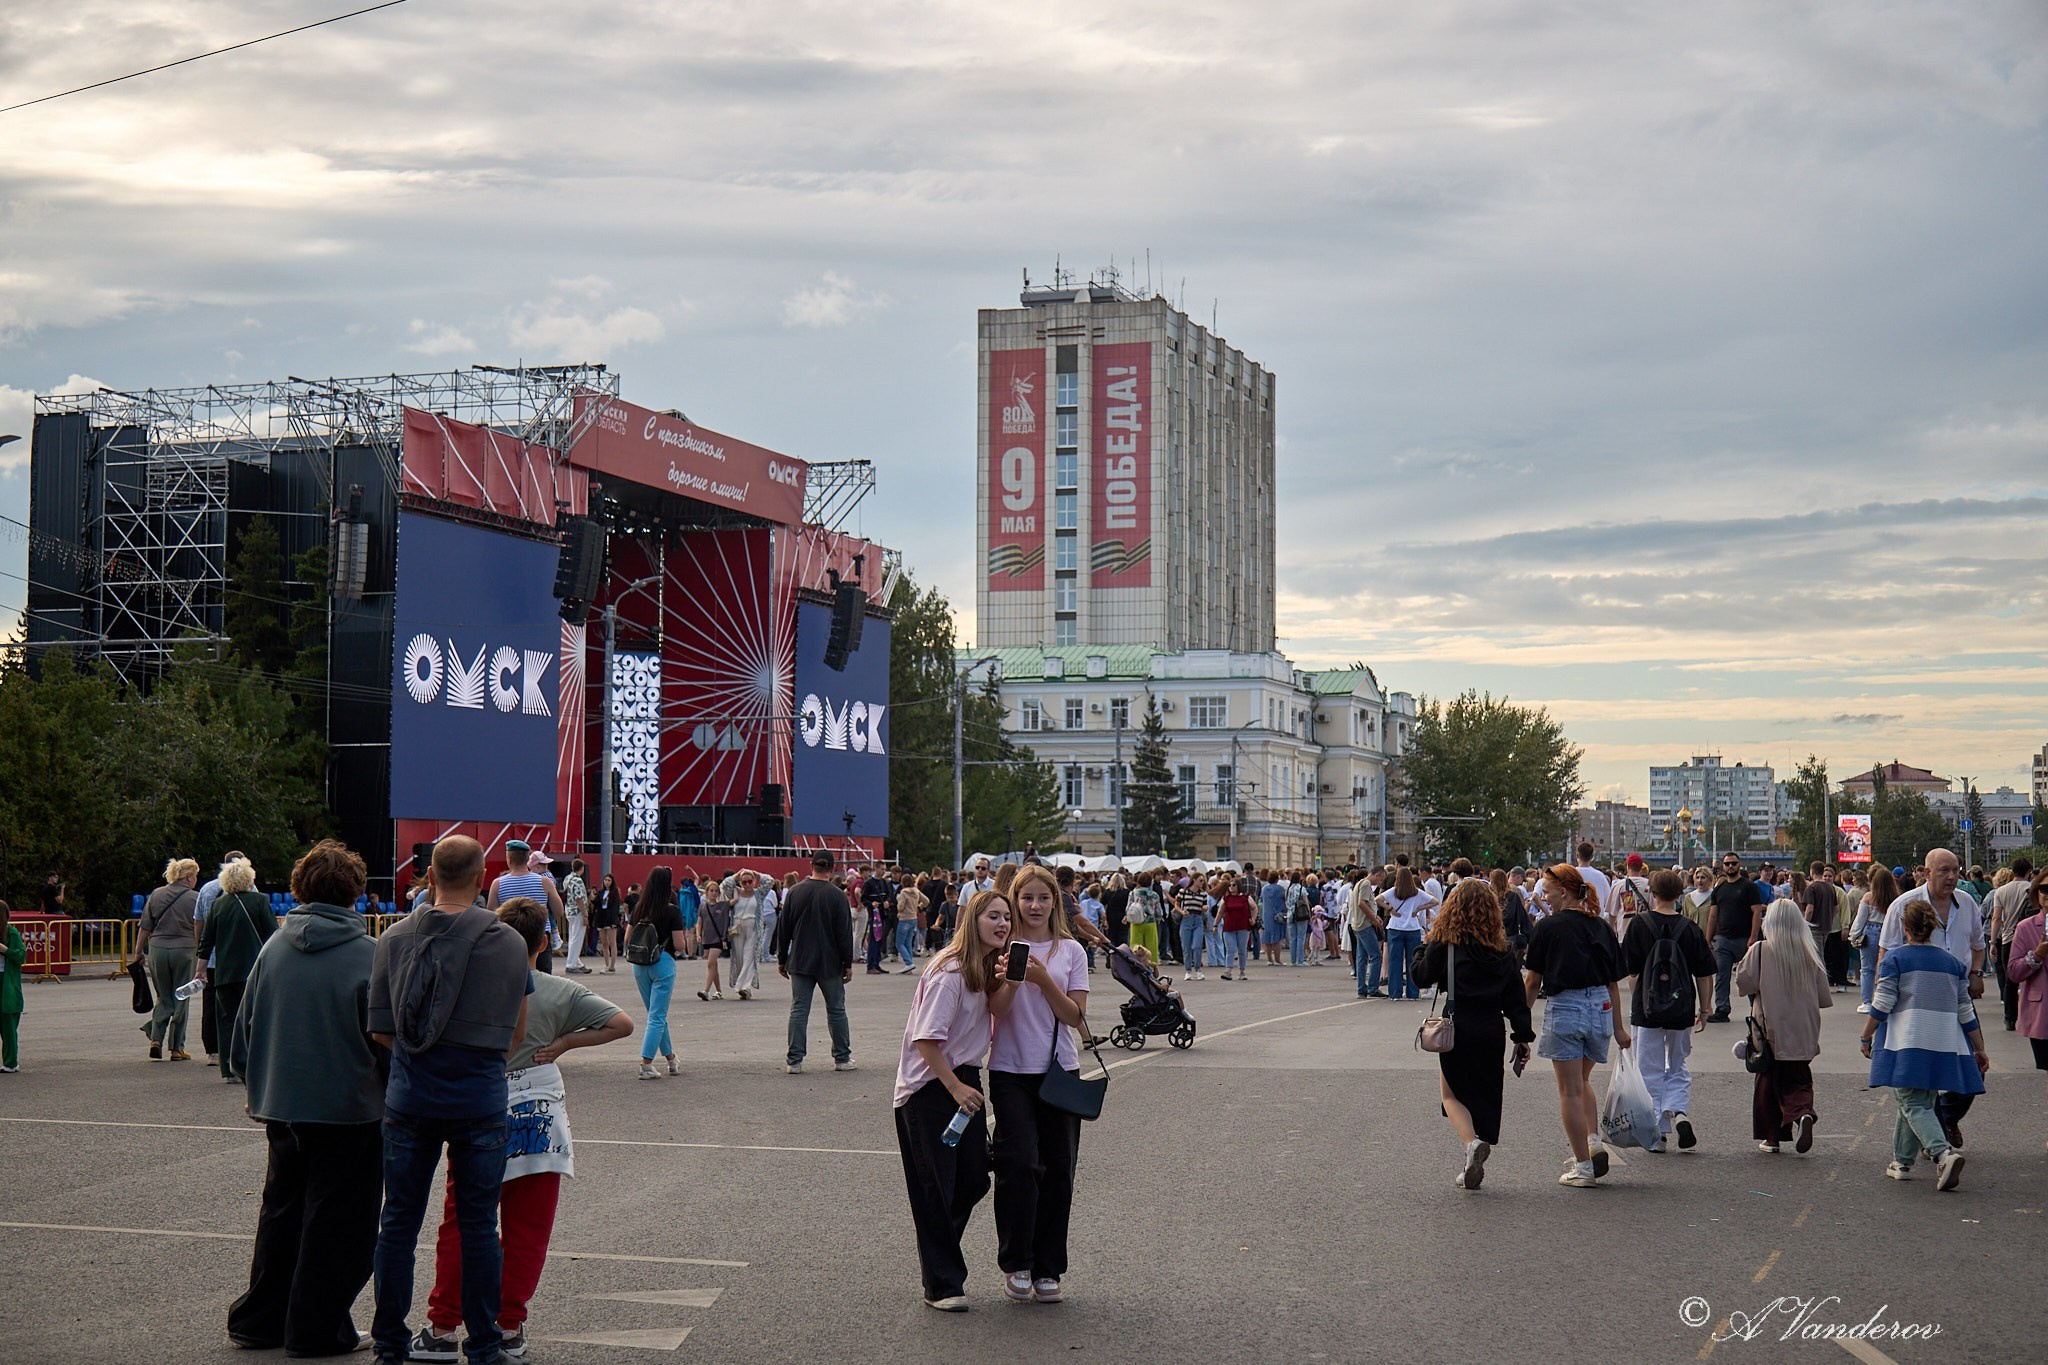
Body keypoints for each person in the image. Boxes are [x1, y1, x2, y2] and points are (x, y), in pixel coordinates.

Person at [410, 898, 632, 1360]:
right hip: (538, 1111)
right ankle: (508, 1326)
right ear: (544, 941)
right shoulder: (560, 991)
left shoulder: (470, 986)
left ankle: (443, 1326)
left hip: (479, 1106)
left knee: (461, 1222)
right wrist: (567, 1041)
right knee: (527, 1227)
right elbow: (621, 1023)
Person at [367, 834, 533, 1365]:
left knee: (398, 1223)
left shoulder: (394, 939)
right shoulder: (507, 942)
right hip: (480, 1097)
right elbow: (516, 1034)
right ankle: (484, 1346)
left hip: (411, 1096)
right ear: (484, 876)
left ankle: (390, 1343)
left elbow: (381, 1031)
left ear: (429, 876)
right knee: (479, 1224)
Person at [226, 840, 385, 1356]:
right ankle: (317, 1328)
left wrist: (255, 1082)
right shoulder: (368, 955)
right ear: (355, 893)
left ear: (299, 888)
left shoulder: (274, 947)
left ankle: (260, 1318)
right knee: (340, 1221)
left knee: (282, 1209)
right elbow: (383, 1038)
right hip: (349, 1106)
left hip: (282, 1101)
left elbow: (246, 1022)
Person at [893, 888, 1019, 1311]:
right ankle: (943, 1284)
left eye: (1006, 917)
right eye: (993, 917)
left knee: (971, 1179)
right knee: (935, 1187)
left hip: (962, 1079)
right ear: (972, 922)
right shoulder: (950, 972)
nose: (1002, 924)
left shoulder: (982, 968)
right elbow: (926, 1040)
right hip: (929, 1087)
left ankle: (938, 1253)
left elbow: (998, 1009)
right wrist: (955, 1087)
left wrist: (1014, 979)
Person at [987, 864, 1090, 1304]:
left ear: (1056, 902)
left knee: (1058, 1171)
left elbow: (1075, 1017)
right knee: (1018, 1165)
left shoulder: (1071, 952)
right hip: (1010, 1071)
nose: (1034, 906)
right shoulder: (1001, 947)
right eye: (1026, 898)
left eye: (1043, 898)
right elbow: (996, 1011)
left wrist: (1043, 978)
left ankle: (1049, 1267)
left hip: (1058, 1071)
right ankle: (1018, 1262)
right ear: (1014, 900)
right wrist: (1012, 976)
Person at [1412, 881, 1534, 1191]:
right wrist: (1522, 1035)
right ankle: (1474, 1149)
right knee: (1485, 1092)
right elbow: (1515, 998)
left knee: (1451, 1094)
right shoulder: (1503, 950)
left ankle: (1470, 1146)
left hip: (1458, 1025)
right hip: (1492, 1028)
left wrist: (1422, 948)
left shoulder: (1446, 944)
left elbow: (1421, 976)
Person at [1863, 896, 1987, 1189]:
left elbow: (1883, 1003)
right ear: (1932, 928)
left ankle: (1942, 1153)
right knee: (1918, 1098)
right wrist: (1979, 1047)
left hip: (1907, 1041)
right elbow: (1965, 1010)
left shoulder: (1895, 959)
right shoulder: (1953, 964)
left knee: (1911, 1099)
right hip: (1944, 1040)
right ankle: (1902, 1161)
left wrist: (1866, 1033)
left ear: (1904, 926)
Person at [1521, 864, 1628, 1188]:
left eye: (1547, 890)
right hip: (1600, 1008)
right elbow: (1613, 983)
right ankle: (1592, 1141)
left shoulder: (1548, 928)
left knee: (1568, 1090)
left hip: (1566, 1007)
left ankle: (1583, 1167)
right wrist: (1619, 1028)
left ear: (1564, 892)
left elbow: (1532, 981)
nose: (1543, 896)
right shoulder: (1600, 927)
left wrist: (1521, 1022)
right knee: (1581, 1081)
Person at [1877, 849, 1986, 1150]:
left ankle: (1944, 1120)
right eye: (1943, 871)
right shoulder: (1904, 905)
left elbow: (1978, 945)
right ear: (1926, 873)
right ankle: (1932, 1141)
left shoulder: (1967, 904)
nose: (1952, 877)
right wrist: (1882, 1004)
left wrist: (1976, 971)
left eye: (1955, 870)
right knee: (1921, 1079)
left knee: (1973, 1069)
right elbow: (1886, 954)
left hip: (1958, 999)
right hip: (1914, 1008)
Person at [1621, 869, 1715, 1152]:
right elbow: (1704, 973)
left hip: (1646, 1008)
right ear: (1680, 893)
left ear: (1652, 891)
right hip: (1681, 1006)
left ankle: (1657, 1132)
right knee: (1677, 1062)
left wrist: (1642, 995)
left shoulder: (1639, 925)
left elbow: (1632, 971)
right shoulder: (1690, 928)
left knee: (1648, 1067)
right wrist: (1706, 1007)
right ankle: (1679, 1112)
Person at [1735, 900, 1832, 1155]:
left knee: (1767, 1081)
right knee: (1799, 1077)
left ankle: (1772, 1137)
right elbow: (1823, 996)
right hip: (1804, 1027)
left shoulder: (1760, 950)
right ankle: (1803, 1113)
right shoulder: (1809, 952)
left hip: (1770, 1028)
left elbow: (1743, 982)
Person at [775, 851, 857, 1074]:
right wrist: (847, 963)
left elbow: (784, 930)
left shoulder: (794, 892)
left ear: (811, 865)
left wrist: (782, 959)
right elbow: (844, 934)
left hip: (801, 960)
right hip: (830, 962)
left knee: (799, 1009)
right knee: (836, 1009)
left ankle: (795, 1060)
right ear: (832, 868)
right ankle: (842, 1057)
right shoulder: (838, 896)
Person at [197, 856, 276, 1084]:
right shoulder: (259, 901)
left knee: (226, 1020)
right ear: (249, 879)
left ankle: (229, 1068)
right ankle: (251, 1065)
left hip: (224, 973)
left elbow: (206, 941)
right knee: (254, 1018)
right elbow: (272, 935)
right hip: (253, 972)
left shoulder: (218, 905)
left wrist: (200, 970)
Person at [138, 857, 201, 1061]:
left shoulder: (157, 894)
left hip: (157, 950)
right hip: (185, 951)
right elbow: (200, 927)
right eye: (196, 875)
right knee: (182, 997)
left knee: (163, 996)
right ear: (189, 877)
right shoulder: (195, 898)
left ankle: (156, 1039)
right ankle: (176, 1048)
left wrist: (138, 951)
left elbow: (145, 925)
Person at [626, 867, 685, 1079]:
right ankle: (646, 1064)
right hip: (663, 963)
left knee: (655, 1014)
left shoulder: (639, 908)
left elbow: (627, 940)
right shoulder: (672, 911)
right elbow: (679, 944)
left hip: (639, 964)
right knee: (657, 1016)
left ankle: (671, 1059)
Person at [194, 848, 247, 1064]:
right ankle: (238, 1049)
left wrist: (201, 948)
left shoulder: (207, 889)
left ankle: (213, 1050)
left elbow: (198, 920)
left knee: (210, 1003)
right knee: (239, 1003)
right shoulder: (249, 888)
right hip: (239, 957)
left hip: (213, 957)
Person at [1704, 855, 1765, 1022]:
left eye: (1734, 863)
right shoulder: (1719, 889)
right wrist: (1707, 939)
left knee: (1750, 976)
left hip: (1745, 939)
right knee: (1722, 975)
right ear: (1723, 867)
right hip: (1723, 939)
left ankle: (1757, 1009)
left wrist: (1753, 936)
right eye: (1727, 864)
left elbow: (1757, 912)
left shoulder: (1749, 887)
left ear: (1739, 865)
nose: (1730, 866)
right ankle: (1722, 1009)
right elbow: (1712, 916)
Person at [2004, 871, 2048, 1095]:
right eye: (2044, 889)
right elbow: (2013, 972)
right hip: (2042, 1012)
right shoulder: (2026, 927)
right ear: (2036, 893)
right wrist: (2037, 955)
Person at [1988, 857, 2035, 1032]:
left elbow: (1996, 918)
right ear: (2029, 871)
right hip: (2030, 938)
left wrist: (1993, 942)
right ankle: (2030, 1016)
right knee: (2032, 980)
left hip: (2008, 939)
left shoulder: (2001, 891)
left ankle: (2009, 1019)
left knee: (2010, 981)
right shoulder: (2032, 889)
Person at [1377, 866, 1438, 1001]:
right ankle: (1412, 993)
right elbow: (1435, 901)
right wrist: (1418, 908)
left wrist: (1390, 909)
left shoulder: (1393, 891)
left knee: (1395, 962)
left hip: (1395, 927)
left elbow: (1378, 899)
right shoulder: (1416, 892)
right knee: (1412, 961)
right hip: (1412, 928)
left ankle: (1395, 993)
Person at [1852, 866, 1898, 1014]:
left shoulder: (1868, 897)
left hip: (1871, 931)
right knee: (1888, 968)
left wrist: (1854, 935)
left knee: (1867, 969)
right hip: (1889, 931)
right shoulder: (1896, 898)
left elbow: (1860, 920)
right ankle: (1885, 999)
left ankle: (1867, 1002)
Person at [696, 878, 732, 1001]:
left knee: (711, 963)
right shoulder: (703, 906)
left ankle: (706, 990)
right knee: (713, 965)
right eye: (711, 890)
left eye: (716, 891)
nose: (714, 893)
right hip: (707, 938)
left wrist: (736, 889)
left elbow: (735, 901)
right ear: (707, 892)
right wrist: (698, 934)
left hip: (719, 938)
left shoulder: (722, 905)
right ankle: (718, 991)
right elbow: (699, 922)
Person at [1216, 877, 1254, 982]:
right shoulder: (1226, 898)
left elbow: (1254, 907)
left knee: (1242, 950)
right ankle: (1228, 970)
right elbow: (1220, 912)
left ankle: (1242, 971)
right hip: (1229, 927)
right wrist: (1215, 925)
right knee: (1230, 949)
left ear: (1238, 886)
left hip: (1243, 926)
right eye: (1230, 885)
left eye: (1234, 885)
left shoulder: (1245, 897)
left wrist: (1253, 919)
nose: (1231, 887)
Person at [1, 900, 23, 1072]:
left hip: (7, 983)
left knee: (8, 1026)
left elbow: (21, 957)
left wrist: (5, 950)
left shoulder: (12, 934)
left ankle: (11, 1062)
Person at [560, 859, 591, 974]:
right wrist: (585, 914)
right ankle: (571, 964)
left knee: (573, 937)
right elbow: (579, 898)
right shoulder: (578, 880)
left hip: (569, 911)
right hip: (578, 912)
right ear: (582, 868)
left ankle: (577, 962)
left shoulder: (567, 878)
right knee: (577, 939)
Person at [1125, 871, 1162, 963]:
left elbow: (1128, 908)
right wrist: (1157, 918)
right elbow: (1159, 912)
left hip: (1136, 923)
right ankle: (1152, 969)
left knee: (1136, 948)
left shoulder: (1133, 893)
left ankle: (1137, 968)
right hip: (1150, 923)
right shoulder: (1154, 895)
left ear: (1138, 881)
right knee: (1151, 947)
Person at [896, 876, 929, 972]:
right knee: (908, 942)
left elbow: (900, 907)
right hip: (913, 918)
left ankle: (908, 962)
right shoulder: (916, 890)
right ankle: (909, 963)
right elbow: (926, 901)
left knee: (899, 943)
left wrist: (898, 903)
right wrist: (919, 907)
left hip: (904, 918)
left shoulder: (903, 892)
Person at [593, 872, 623, 973]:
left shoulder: (615, 892)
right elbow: (596, 903)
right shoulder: (601, 892)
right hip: (601, 918)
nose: (607, 882)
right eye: (605, 880)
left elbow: (615, 907)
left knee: (612, 942)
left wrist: (614, 920)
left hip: (611, 918)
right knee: (604, 943)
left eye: (609, 880)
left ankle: (612, 965)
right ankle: (606, 964)